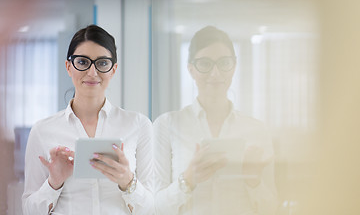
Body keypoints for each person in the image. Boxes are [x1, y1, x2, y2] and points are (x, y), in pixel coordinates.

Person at [22, 25, 153, 215]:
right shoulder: (42, 130)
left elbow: (152, 209)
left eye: (102, 63)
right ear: (69, 66)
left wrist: (127, 181)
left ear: (113, 70)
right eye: (82, 62)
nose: (92, 72)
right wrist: (54, 183)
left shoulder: (138, 125)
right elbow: (28, 210)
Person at [154, 26, 277, 214]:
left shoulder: (257, 130)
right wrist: (187, 180)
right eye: (205, 64)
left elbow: (272, 209)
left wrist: (254, 181)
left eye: (224, 63)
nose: (215, 73)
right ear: (191, 69)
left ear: (234, 67)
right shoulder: (167, 125)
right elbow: (153, 208)